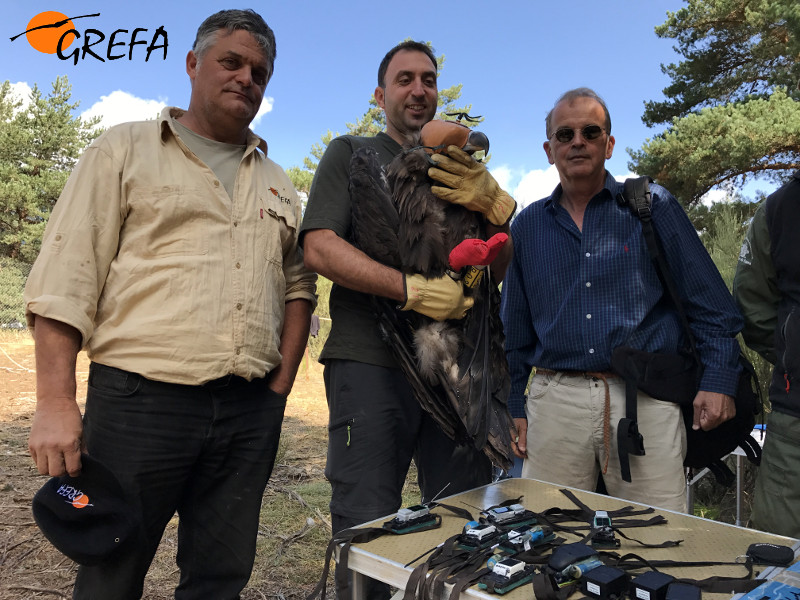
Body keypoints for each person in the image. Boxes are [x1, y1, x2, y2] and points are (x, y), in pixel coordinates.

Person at [24, 9, 316, 599]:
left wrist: (277, 391)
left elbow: (298, 288)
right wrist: (56, 402)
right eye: (230, 62)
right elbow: (66, 274)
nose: (246, 78)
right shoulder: (125, 149)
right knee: (111, 566)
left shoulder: (280, 182)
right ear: (192, 64)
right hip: (139, 403)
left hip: (246, 412)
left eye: (259, 71)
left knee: (220, 575)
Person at [300, 41, 514, 599]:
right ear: (380, 94)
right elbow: (319, 248)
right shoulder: (351, 154)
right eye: (404, 79)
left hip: (455, 369)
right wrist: (410, 289)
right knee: (368, 523)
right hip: (373, 362)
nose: (418, 90)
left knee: (460, 519)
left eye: (428, 79)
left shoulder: (459, 171)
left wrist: (498, 209)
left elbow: (499, 270)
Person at [500, 88, 743, 512]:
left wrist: (717, 380)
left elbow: (711, 306)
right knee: (549, 537)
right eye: (565, 134)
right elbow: (514, 331)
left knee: (661, 536)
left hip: (645, 398)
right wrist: (515, 404)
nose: (578, 141)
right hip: (555, 402)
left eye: (591, 132)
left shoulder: (652, 206)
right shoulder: (526, 227)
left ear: (609, 144)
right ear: (549, 149)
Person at [734, 169, 800, 538]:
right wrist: (793, 357)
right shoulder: (781, 208)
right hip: (796, 424)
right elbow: (751, 306)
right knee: (783, 559)